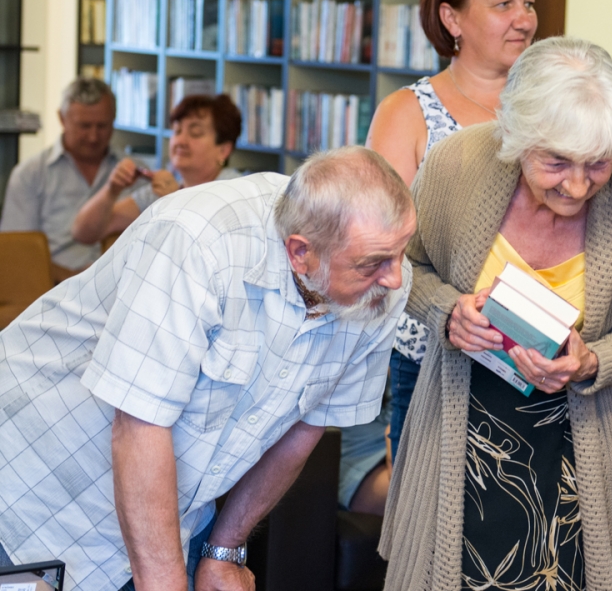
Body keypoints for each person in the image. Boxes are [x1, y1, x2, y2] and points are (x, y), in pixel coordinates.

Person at [0, 147, 415, 591]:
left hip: (166, 510)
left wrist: (224, 549)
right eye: (373, 263)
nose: (395, 278)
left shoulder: (382, 283)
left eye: (401, 252)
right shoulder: (196, 240)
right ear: (300, 252)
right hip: (32, 482)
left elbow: (305, 426)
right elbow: (140, 425)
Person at [380, 36, 612, 591]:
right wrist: (447, 312)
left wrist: (592, 361)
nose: (577, 185)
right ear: (515, 138)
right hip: (461, 427)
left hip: (581, 443)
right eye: (556, 162)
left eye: (597, 163)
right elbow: (405, 267)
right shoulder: (456, 165)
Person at [361, 0, 539, 512]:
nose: (523, 19)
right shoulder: (408, 112)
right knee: (429, 515)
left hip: (534, 351)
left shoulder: (549, 109)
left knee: (519, 516)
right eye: (504, 3)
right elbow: (380, 246)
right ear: (452, 17)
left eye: (529, 3)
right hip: (432, 351)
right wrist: (451, 306)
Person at [72, 94, 242, 245]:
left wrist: (175, 202)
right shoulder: (163, 189)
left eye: (195, 133)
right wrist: (111, 190)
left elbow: (209, 250)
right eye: (177, 131)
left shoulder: (234, 190)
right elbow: (83, 233)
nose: (180, 141)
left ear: (224, 150)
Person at [0, 77, 120, 281]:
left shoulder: (136, 173)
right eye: (84, 126)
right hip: (50, 287)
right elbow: (18, 253)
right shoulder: (30, 175)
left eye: (102, 126)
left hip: (121, 287)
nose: (93, 137)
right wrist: (74, 279)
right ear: (62, 119)